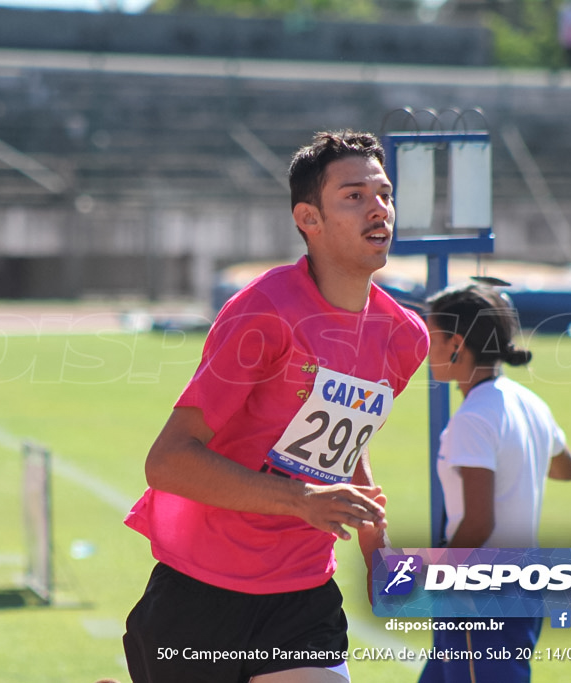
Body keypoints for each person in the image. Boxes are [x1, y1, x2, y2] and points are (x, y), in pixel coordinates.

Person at [122, 131, 429, 682]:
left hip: (303, 596)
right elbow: (166, 462)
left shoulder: (405, 338)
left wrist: (372, 538)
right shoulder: (265, 311)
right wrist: (300, 499)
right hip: (202, 595)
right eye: (354, 196)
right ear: (308, 219)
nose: (378, 209)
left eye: (383, 194)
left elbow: (341, 442)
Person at [418, 284, 571, 683]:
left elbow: (478, 523)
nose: (425, 351)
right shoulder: (528, 402)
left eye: (430, 338)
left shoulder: (474, 418)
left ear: (456, 343)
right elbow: (566, 469)